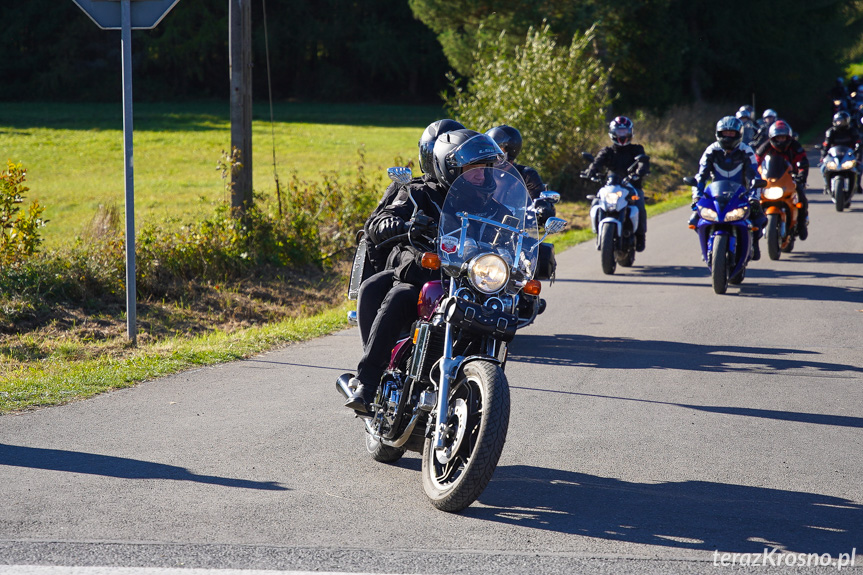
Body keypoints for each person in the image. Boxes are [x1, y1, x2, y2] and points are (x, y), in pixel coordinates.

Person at [344, 129, 507, 414]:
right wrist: (404, 226)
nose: (481, 175)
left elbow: (514, 239)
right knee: (400, 295)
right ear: (450, 167)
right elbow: (381, 220)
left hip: (471, 285)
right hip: (426, 278)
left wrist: (531, 251)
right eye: (472, 168)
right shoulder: (419, 194)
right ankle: (367, 383)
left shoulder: (495, 210)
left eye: (485, 168)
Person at [689, 116, 767, 259]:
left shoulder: (746, 150)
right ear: (718, 134)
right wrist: (697, 196)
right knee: (694, 219)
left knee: (759, 218)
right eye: (725, 133)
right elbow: (701, 175)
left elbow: (754, 175)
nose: (728, 137)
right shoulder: (711, 150)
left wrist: (754, 198)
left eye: (731, 133)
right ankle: (706, 245)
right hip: (716, 195)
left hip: (741, 195)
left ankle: (753, 244)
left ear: (739, 134)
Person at [583, 116, 650, 252]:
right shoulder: (607, 151)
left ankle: (640, 236)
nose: (622, 135)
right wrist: (591, 170)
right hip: (611, 187)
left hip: (632, 186)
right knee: (596, 202)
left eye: (624, 131)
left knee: (640, 204)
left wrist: (641, 170)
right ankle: (598, 233)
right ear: (613, 133)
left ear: (630, 132)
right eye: (619, 132)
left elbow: (643, 161)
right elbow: (597, 162)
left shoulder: (636, 149)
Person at [485, 124, 556, 226]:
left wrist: (542, 209)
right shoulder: (482, 173)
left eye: (498, 150)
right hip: (484, 227)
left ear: (510, 151)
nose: (492, 154)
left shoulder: (526, 175)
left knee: (540, 242)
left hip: (517, 231)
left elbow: (538, 199)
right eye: (491, 149)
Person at [755, 120, 810, 240]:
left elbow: (803, 161)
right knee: (754, 200)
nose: (781, 140)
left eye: (783, 137)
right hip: (770, 180)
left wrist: (801, 175)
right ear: (772, 138)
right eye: (778, 137)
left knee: (801, 196)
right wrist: (754, 176)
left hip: (790, 178)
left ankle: (801, 224)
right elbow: (755, 161)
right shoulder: (765, 147)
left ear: (788, 137)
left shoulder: (795, 146)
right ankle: (753, 229)